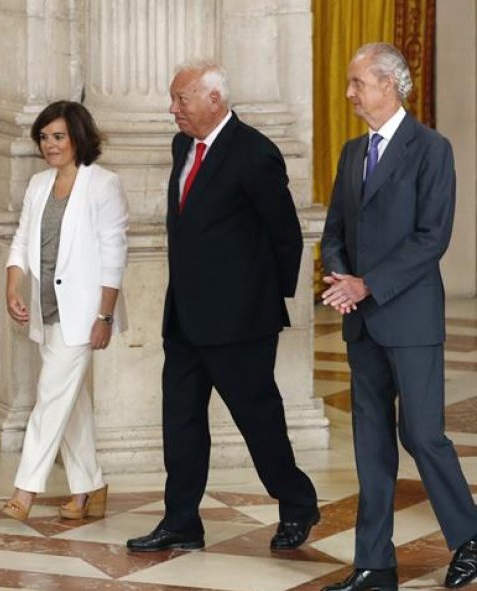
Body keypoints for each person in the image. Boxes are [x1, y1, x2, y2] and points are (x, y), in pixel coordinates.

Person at [126, 60, 319, 554]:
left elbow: (286, 237)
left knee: (259, 422)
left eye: (181, 100)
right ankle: (182, 521)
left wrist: (261, 306)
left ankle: (298, 505)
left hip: (240, 325)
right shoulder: (181, 147)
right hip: (185, 319)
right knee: (181, 424)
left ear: (213, 99)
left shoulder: (255, 153)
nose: (173, 110)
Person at [318, 43, 477, 591]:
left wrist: (368, 285)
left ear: (389, 83)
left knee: (422, 433)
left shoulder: (432, 149)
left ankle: (471, 539)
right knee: (370, 443)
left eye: (357, 82)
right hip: (362, 321)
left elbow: (432, 237)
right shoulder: (349, 153)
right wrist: (341, 279)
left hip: (408, 318)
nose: (350, 93)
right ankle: (374, 563)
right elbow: (335, 229)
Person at [1, 101, 129, 521]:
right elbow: (22, 239)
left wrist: (105, 316)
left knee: (51, 398)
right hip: (45, 309)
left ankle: (25, 490)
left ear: (78, 137)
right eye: (44, 137)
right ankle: (91, 487)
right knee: (72, 405)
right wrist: (12, 286)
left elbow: (114, 255)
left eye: (58, 136)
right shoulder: (39, 184)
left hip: (84, 314)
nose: (50, 145)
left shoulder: (103, 184)